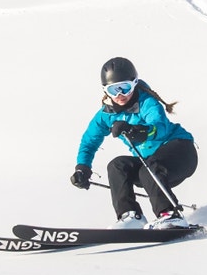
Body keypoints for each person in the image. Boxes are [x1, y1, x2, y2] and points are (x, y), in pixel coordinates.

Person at [70, 56, 198, 229]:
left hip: (181, 153)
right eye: (114, 90)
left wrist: (139, 131)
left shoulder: (147, 103)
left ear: (135, 83)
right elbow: (89, 141)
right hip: (153, 166)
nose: (120, 95)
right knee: (117, 166)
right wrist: (82, 168)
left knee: (149, 169)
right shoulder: (106, 115)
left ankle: (171, 215)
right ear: (105, 91)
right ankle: (130, 216)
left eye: (125, 87)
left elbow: (160, 126)